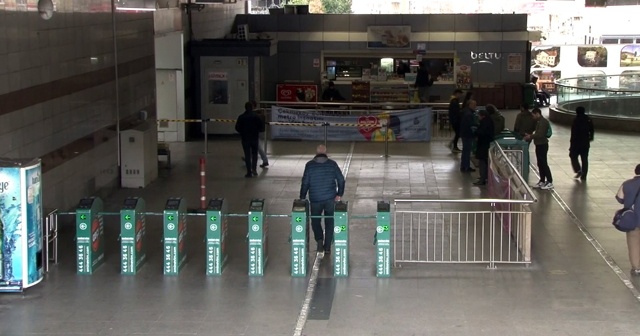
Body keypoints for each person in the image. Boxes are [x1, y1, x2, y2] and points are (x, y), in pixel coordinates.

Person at [300, 145, 346, 253]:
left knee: (315, 221)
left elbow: (305, 183)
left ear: (316, 153)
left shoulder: (310, 165)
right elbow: (341, 180)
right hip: (330, 199)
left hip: (315, 199)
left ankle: (319, 240)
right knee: (329, 221)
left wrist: (302, 197)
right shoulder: (332, 164)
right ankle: (328, 247)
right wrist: (339, 194)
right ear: (326, 152)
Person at [615, 164, 640, 276]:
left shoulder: (627, 184)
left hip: (632, 220)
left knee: (633, 244)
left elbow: (620, 199)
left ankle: (636, 268)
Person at [524, 108, 553, 190]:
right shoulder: (538, 122)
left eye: (533, 115)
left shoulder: (543, 122)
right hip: (538, 144)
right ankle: (542, 180)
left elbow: (540, 134)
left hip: (542, 145)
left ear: (537, 114)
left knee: (543, 163)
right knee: (540, 163)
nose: (533, 117)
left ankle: (550, 181)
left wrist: (530, 136)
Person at [235, 102, 265, 178]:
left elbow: (237, 128)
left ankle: (249, 172)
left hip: (245, 138)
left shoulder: (241, 117)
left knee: (247, 155)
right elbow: (262, 128)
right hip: (254, 138)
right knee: (255, 154)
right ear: (252, 108)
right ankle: (254, 169)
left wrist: (242, 132)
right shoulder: (256, 117)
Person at [569, 106, 594, 181]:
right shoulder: (588, 119)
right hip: (585, 143)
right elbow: (592, 129)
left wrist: (571, 144)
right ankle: (584, 175)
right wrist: (590, 137)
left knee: (573, 156)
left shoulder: (576, 120)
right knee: (584, 159)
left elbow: (573, 134)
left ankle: (578, 170)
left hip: (576, 143)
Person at [474, 109, 494, 186]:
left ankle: (482, 179)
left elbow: (482, 132)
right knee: (485, 162)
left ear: (482, 116)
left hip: (483, 144)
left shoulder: (484, 122)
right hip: (487, 144)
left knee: (482, 162)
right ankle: (485, 177)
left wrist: (476, 131)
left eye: (479, 115)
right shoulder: (489, 121)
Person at [459, 99, 477, 173]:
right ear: (470, 105)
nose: (475, 107)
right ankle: (466, 166)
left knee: (465, 150)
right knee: (467, 151)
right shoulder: (469, 114)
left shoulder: (465, 111)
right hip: (468, 134)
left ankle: (463, 166)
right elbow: (471, 125)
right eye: (474, 105)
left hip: (464, 133)